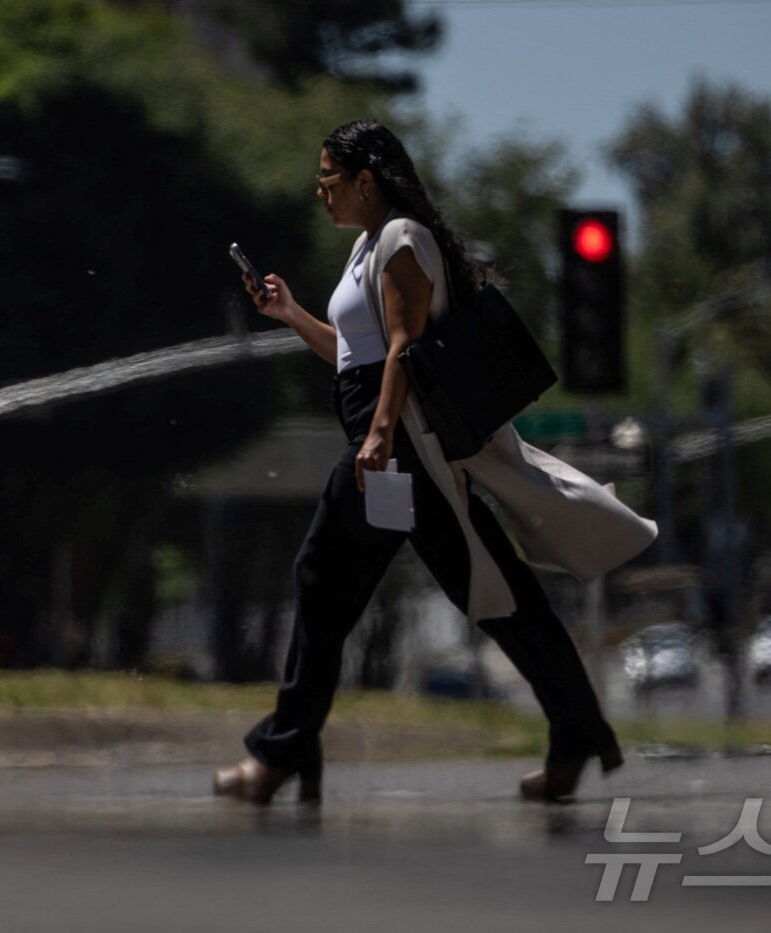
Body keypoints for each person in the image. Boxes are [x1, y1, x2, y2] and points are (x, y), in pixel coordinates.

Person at [212, 120, 657, 806]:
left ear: (366, 180)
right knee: (490, 593)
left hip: (401, 446)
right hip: (387, 440)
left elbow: (402, 349)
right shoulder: (370, 246)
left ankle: (284, 753)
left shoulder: (401, 240)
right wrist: (292, 314)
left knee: (337, 581)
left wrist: (381, 433)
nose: (321, 192)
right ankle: (576, 732)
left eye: (329, 178)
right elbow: (354, 356)